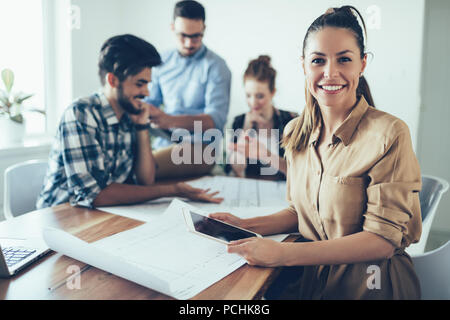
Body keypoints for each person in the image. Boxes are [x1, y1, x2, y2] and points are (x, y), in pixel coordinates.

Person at [211, 6, 422, 299]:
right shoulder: (296, 132)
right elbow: (300, 212)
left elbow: (382, 241)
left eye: (344, 60)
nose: (330, 73)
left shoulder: (389, 134)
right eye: (318, 60)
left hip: (371, 286)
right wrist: (245, 226)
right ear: (304, 65)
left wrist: (281, 253)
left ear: (362, 64)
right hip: (313, 285)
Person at [37, 34, 222, 209]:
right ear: (112, 80)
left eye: (148, 84)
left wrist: (141, 127)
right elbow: (95, 195)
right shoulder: (81, 113)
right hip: (60, 216)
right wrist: (172, 191)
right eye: (140, 84)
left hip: (104, 212)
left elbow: (145, 180)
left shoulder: (130, 114)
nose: (147, 93)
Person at [144, 0, 232, 179]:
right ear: (172, 28)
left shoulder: (217, 67)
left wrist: (168, 120)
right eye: (182, 35)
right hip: (163, 142)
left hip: (202, 149)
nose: (189, 43)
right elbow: (148, 100)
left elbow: (215, 121)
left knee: (144, 169)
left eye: (196, 36)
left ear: (204, 29)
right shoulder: (161, 61)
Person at [225, 55, 297, 179]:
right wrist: (245, 130)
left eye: (259, 96)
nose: (253, 103)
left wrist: (266, 155)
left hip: (283, 190)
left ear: (272, 92)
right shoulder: (240, 121)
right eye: (248, 95)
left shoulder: (291, 120)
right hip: (251, 190)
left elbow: (300, 172)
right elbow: (234, 171)